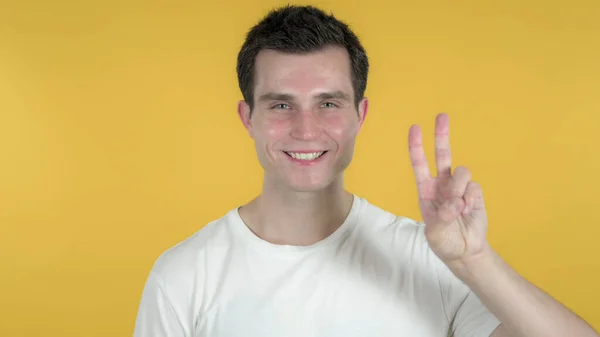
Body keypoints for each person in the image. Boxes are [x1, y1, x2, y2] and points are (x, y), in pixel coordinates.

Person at [133, 5, 598, 337]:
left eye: (329, 103)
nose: (306, 129)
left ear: (361, 114)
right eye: (280, 104)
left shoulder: (430, 260)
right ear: (247, 117)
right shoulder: (183, 275)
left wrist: (474, 263)